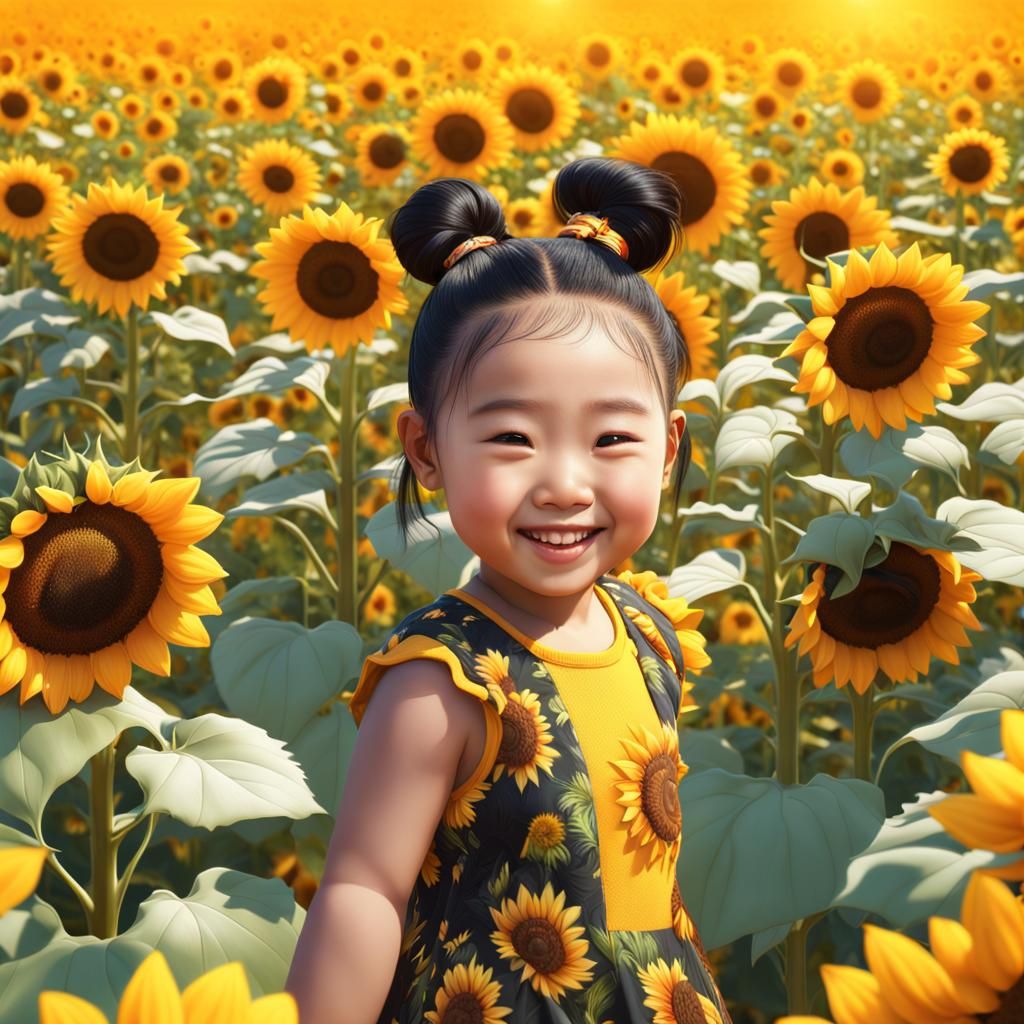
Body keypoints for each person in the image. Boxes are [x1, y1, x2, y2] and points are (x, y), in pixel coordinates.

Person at [285, 155, 732, 1024]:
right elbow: (363, 891)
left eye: (611, 439)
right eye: (513, 439)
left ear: (669, 447)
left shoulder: (650, 636)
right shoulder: (440, 682)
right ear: (426, 450)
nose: (564, 485)